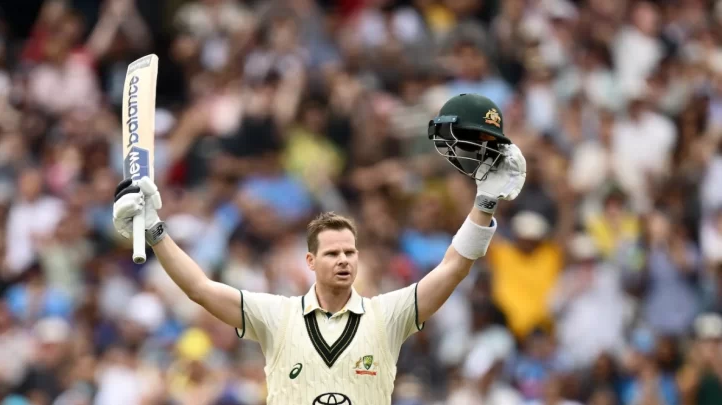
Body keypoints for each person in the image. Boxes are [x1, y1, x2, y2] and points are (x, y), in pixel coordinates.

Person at [111, 93, 527, 404]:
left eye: (350, 252)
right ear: (310, 261)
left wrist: (484, 203)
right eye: (332, 253)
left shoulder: (388, 316)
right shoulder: (277, 316)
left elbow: (453, 268)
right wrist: (154, 230)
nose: (344, 260)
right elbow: (200, 288)